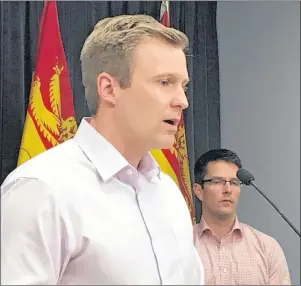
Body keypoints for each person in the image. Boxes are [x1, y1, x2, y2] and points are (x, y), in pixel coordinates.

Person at [1, 14, 204, 285]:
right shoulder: (42, 190)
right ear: (109, 89)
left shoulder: (168, 192)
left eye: (184, 85)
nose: (182, 101)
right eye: (165, 82)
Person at [192, 148, 291, 285]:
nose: (227, 190)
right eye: (217, 181)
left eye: (234, 182)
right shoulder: (180, 245)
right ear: (199, 191)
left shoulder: (267, 248)